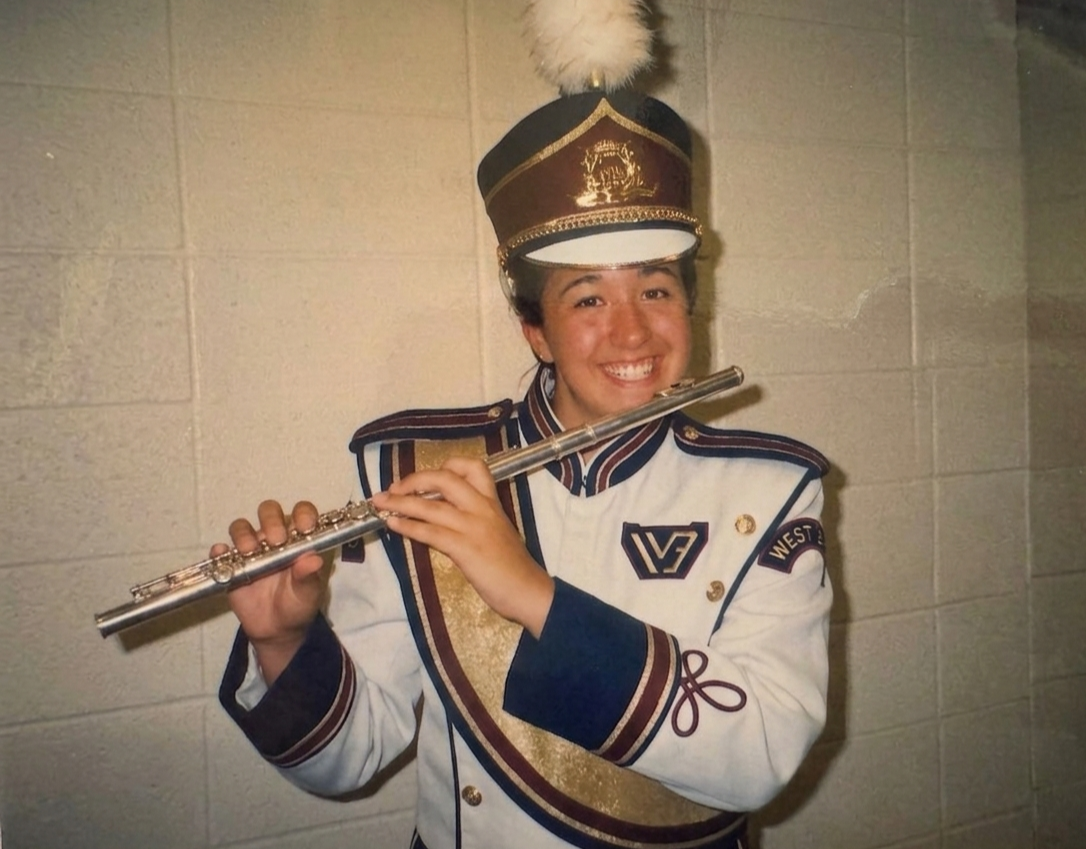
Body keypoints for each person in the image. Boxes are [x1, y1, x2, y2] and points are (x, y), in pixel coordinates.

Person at [217, 85, 831, 849]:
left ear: (689, 306)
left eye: (655, 288)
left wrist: (533, 594)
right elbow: (347, 757)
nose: (631, 329)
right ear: (535, 330)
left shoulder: (771, 490)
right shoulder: (419, 469)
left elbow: (764, 754)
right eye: (587, 300)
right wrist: (284, 642)